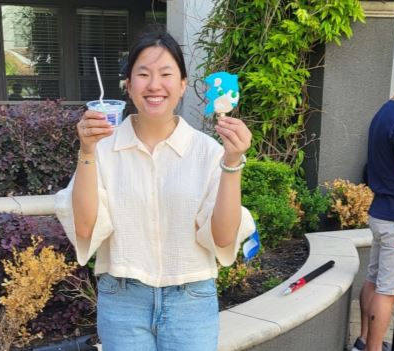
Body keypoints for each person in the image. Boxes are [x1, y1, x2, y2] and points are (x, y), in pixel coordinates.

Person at [55, 28, 255, 351]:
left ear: (182, 85)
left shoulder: (206, 151)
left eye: (166, 74)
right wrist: (87, 152)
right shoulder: (102, 148)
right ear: (129, 86)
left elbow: (222, 237)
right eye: (143, 74)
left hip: (191, 300)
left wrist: (232, 161)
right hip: (123, 301)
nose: (154, 85)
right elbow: (85, 226)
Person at [352, 48, 394, 351]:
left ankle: (365, 340)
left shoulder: (385, 111)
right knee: (389, 291)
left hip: (382, 211)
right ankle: (374, 348)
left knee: (375, 279)